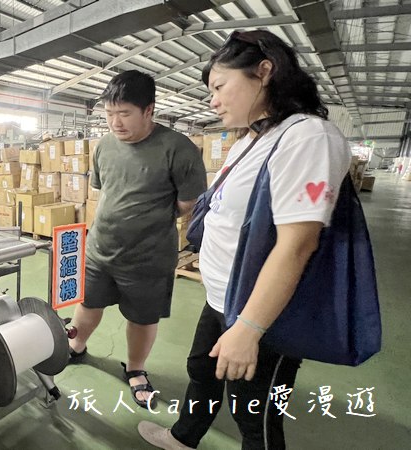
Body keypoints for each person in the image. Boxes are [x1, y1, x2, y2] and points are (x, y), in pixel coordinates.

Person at [137, 30, 352, 449]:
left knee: (255, 411)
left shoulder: (307, 137)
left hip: (262, 311)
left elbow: (297, 245)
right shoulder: (252, 139)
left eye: (219, 86)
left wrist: (249, 328)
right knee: (203, 371)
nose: (212, 99)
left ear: (264, 72)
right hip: (221, 295)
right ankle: (184, 437)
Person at [69, 70, 207, 407]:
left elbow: (189, 202)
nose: (115, 122)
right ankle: (75, 346)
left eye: (125, 113)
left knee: (142, 317)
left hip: (148, 257)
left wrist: (148, 217)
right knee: (88, 304)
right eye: (109, 113)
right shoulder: (104, 146)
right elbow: (103, 193)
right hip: (100, 250)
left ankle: (135, 368)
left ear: (149, 110)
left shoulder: (177, 148)